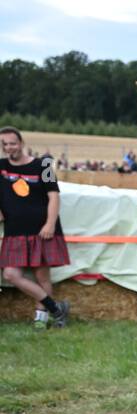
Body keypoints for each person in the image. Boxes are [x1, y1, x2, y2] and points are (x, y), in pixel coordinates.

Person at [0, 126, 70, 328]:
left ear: (21, 143)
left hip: (42, 229)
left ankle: (41, 319)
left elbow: (54, 196)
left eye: (12, 143)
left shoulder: (45, 165)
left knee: (42, 275)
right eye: (4, 144)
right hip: (14, 231)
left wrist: (49, 223)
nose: (8, 147)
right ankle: (57, 309)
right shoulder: (1, 167)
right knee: (11, 274)